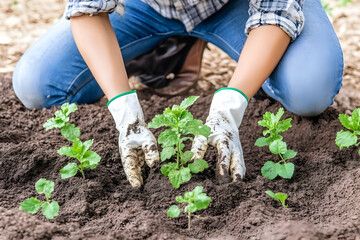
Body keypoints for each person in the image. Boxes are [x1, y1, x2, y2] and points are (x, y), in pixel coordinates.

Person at [12, 0, 343, 187]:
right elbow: (87, 7)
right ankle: (170, 46)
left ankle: (212, 48)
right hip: (144, 6)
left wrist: (232, 104)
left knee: (309, 89)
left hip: (237, 6)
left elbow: (276, 10)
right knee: (37, 85)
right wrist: (124, 109)